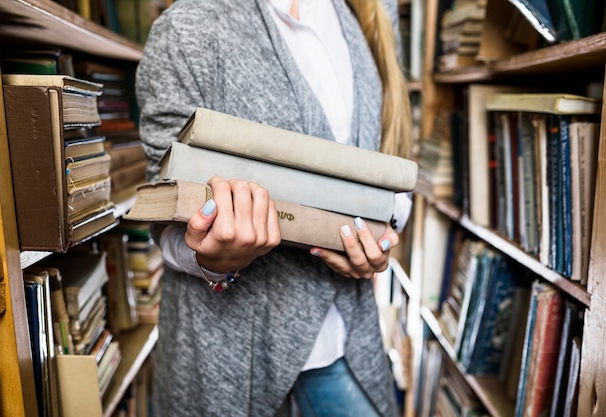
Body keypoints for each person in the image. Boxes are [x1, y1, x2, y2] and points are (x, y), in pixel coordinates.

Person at [135, 0, 413, 416]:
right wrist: (211, 259)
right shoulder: (188, 26)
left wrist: (383, 233)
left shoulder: (371, 13)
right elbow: (166, 207)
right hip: (226, 355)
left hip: (346, 340)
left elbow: (390, 164)